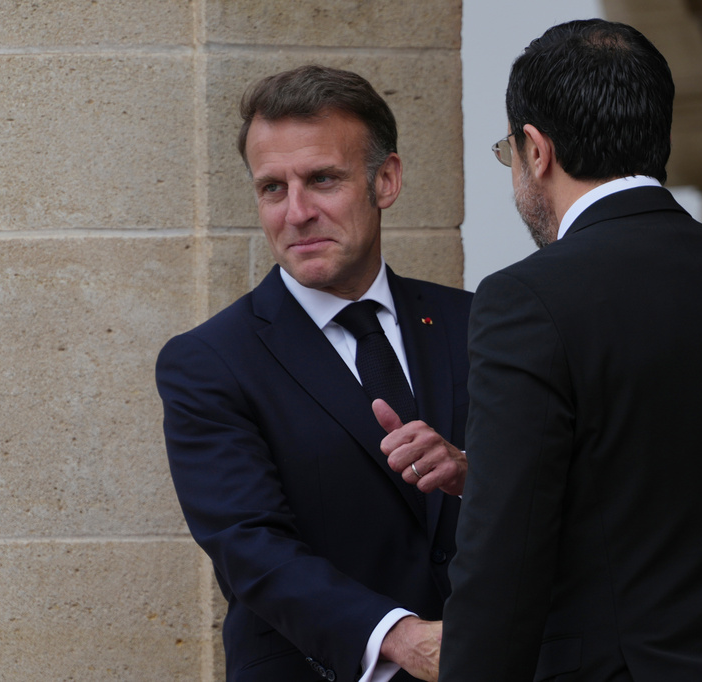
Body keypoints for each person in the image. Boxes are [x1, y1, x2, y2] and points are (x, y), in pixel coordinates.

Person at [441, 19, 702, 682]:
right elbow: (693, 494)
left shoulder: (526, 300)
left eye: (508, 153)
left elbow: (502, 566)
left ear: (536, 150)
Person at [156, 65, 470, 682]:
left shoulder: (476, 323)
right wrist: (400, 638)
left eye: (322, 179)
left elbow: (557, 497)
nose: (296, 212)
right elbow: (250, 546)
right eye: (273, 188)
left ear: (386, 180)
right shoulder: (208, 361)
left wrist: (470, 473)